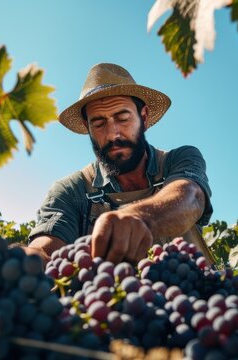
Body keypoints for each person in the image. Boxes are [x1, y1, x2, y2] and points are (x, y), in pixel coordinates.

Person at [26, 63, 214, 264]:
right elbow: (48, 247)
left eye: (123, 118)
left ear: (144, 117)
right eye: (98, 123)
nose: (112, 134)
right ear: (86, 127)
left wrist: (140, 217)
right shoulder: (71, 191)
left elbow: (190, 196)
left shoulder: (179, 159)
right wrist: (30, 258)